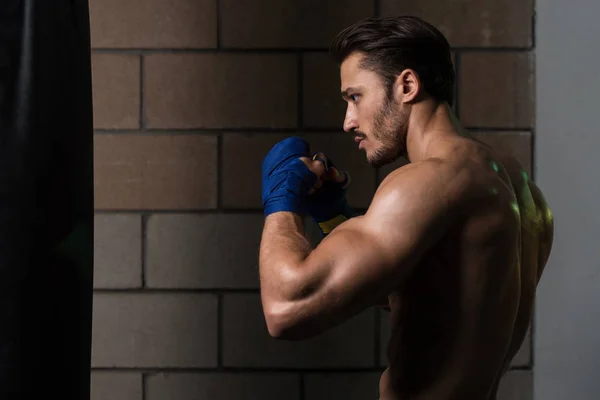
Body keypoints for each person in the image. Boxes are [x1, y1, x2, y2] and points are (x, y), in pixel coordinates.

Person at [258, 16, 554, 400]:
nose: (348, 122)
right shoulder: (522, 190)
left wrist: (282, 199)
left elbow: (285, 310)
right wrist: (334, 218)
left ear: (407, 85)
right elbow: (429, 296)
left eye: (355, 97)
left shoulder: (422, 183)